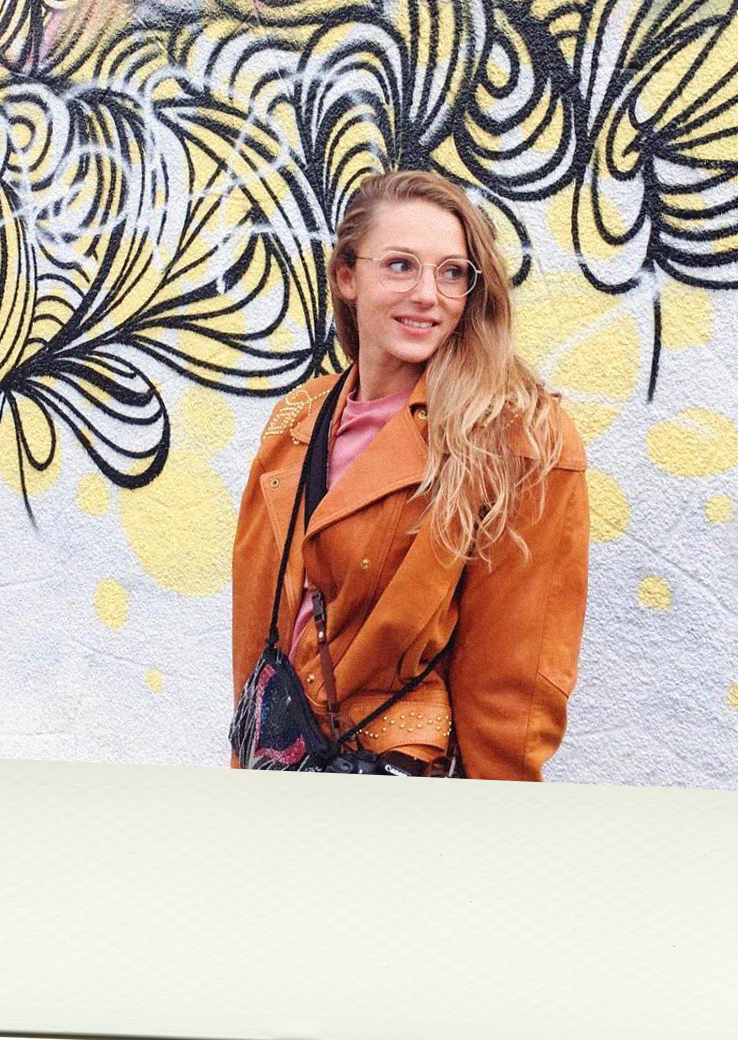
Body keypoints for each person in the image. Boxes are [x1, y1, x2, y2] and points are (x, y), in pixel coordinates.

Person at [231, 170, 589, 780]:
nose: (428, 294)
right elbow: (260, 633)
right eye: (401, 266)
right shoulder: (297, 419)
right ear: (347, 277)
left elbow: (514, 681)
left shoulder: (517, 436)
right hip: (281, 767)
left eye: (451, 273)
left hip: (395, 778)